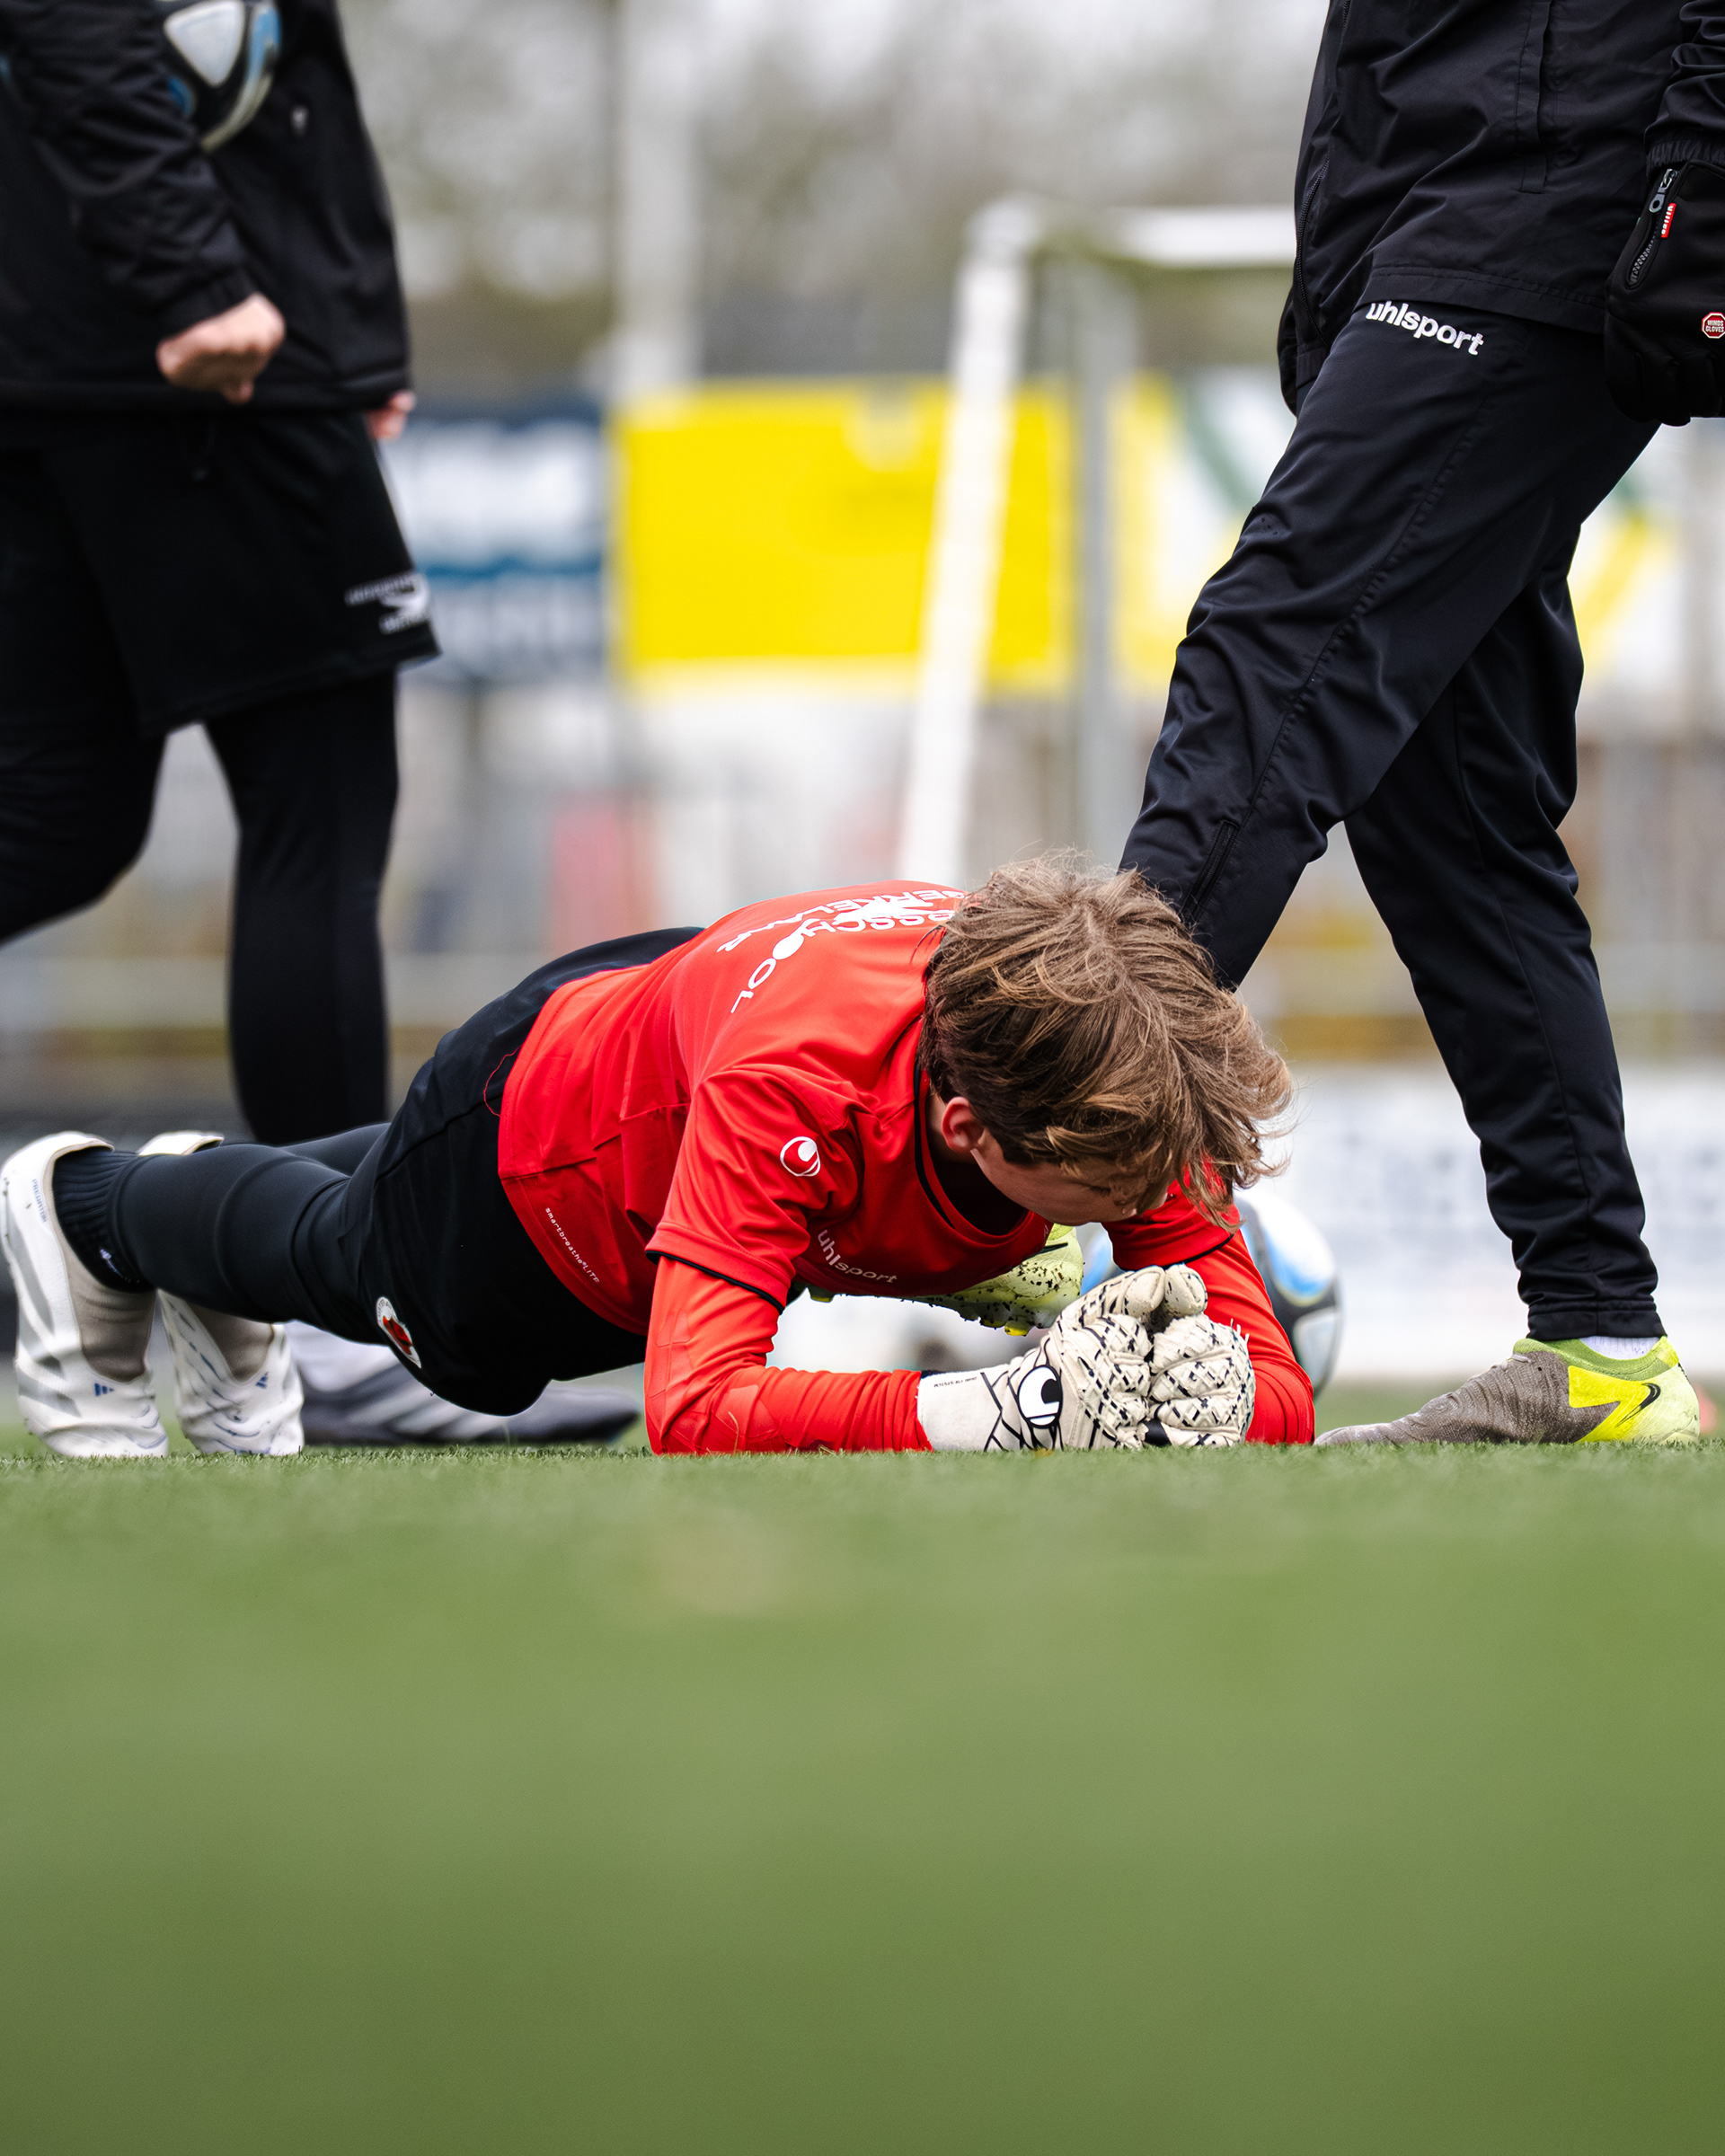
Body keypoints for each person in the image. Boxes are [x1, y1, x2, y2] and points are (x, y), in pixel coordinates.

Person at [1118, 1, 1721, 1447]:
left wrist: (1699, 184)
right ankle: (1601, 1342)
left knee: (1275, 647)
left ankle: (1021, 1167)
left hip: (1556, 194)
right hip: (1418, 220)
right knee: (1445, 804)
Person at [0, 863, 1315, 1459]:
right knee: (368, 1278)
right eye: (1119, 1193)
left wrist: (1192, 1402)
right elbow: (698, 1411)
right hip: (541, 1153)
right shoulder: (802, 1089)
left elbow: (1279, 1393)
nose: (1158, 1206)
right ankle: (90, 1207)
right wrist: (999, 1411)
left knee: (353, 1204)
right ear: (971, 1127)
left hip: (670, 1013)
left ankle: (196, 1191)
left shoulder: (1122, 1062)